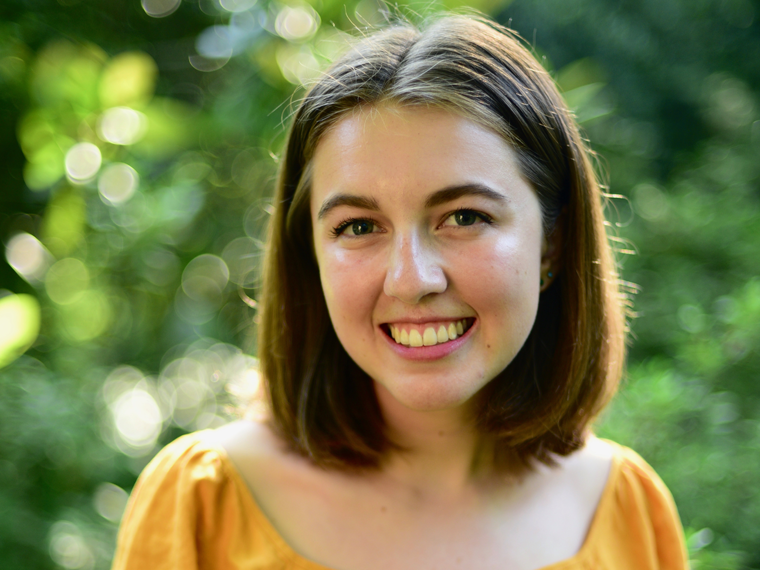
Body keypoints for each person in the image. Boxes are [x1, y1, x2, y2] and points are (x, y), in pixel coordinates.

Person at [111, 14, 688, 570]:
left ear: (552, 243)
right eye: (358, 227)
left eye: (463, 216)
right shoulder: (204, 504)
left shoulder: (627, 511)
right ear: (310, 257)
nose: (411, 280)